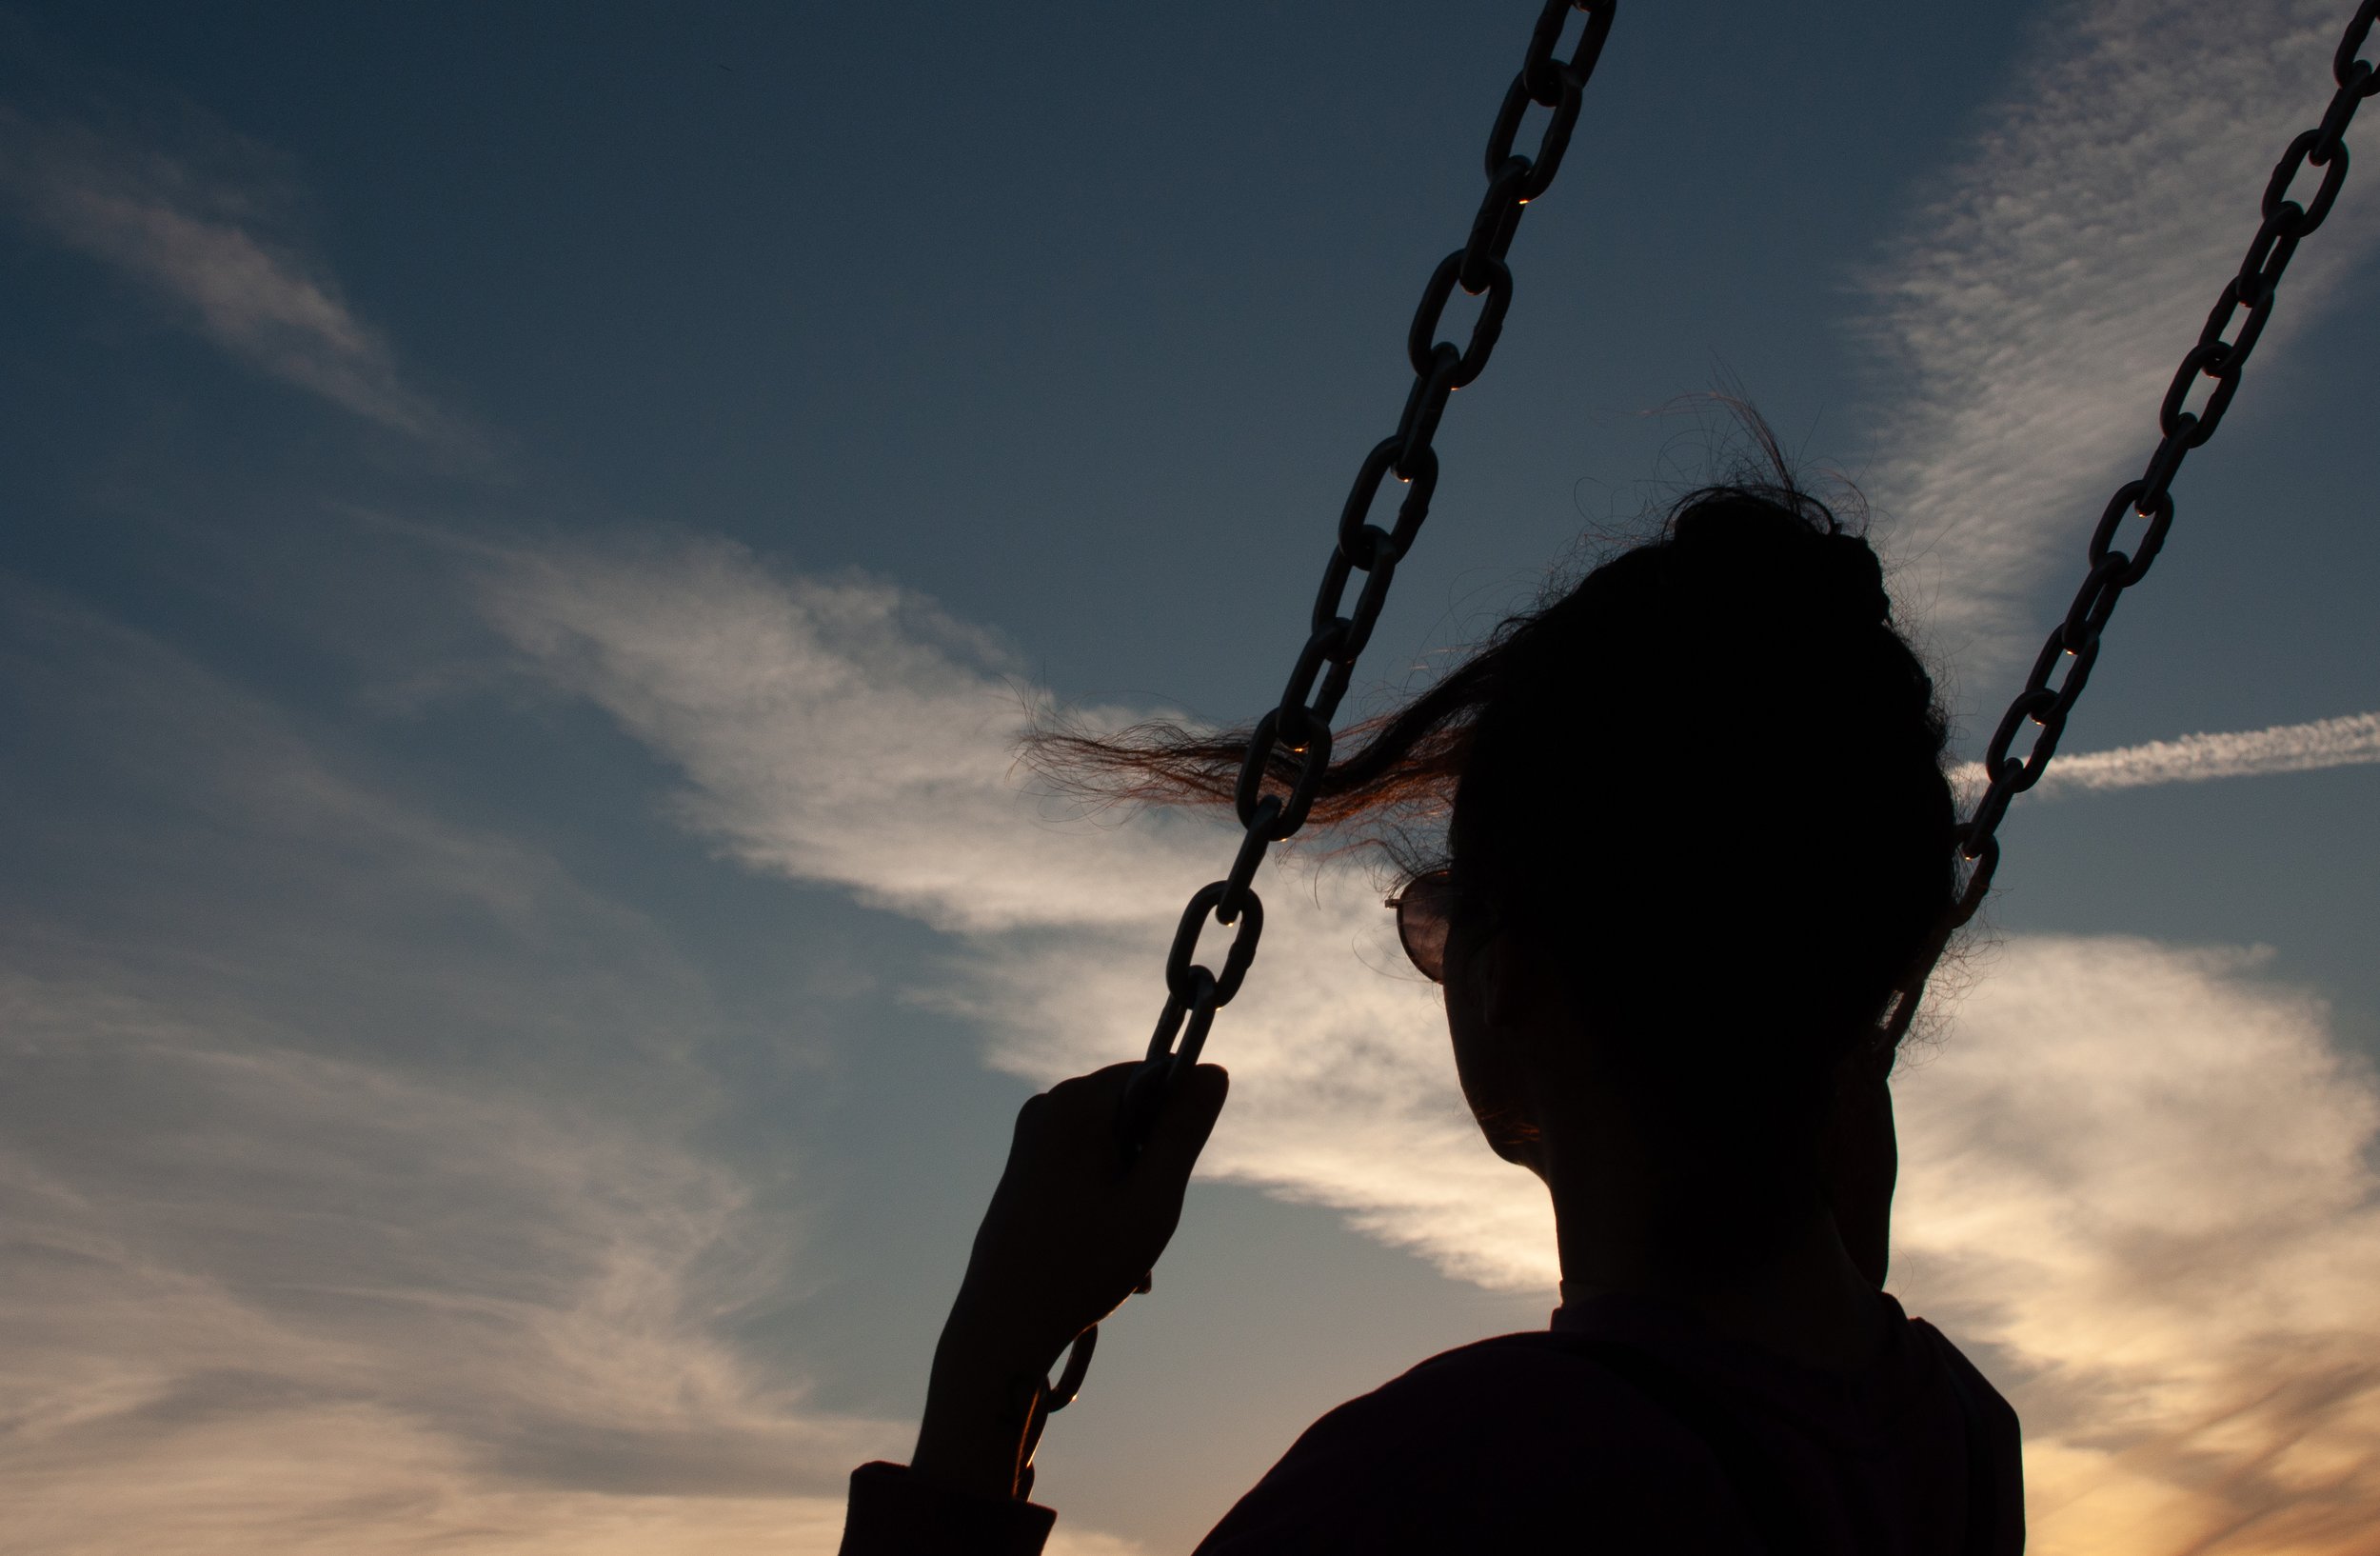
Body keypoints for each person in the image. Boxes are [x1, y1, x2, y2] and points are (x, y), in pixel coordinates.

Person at [838, 455, 2026, 1554]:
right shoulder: (1961, 1435)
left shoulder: (1445, 1479)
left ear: (1513, 976)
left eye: (1441, 918)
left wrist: (992, 1359)